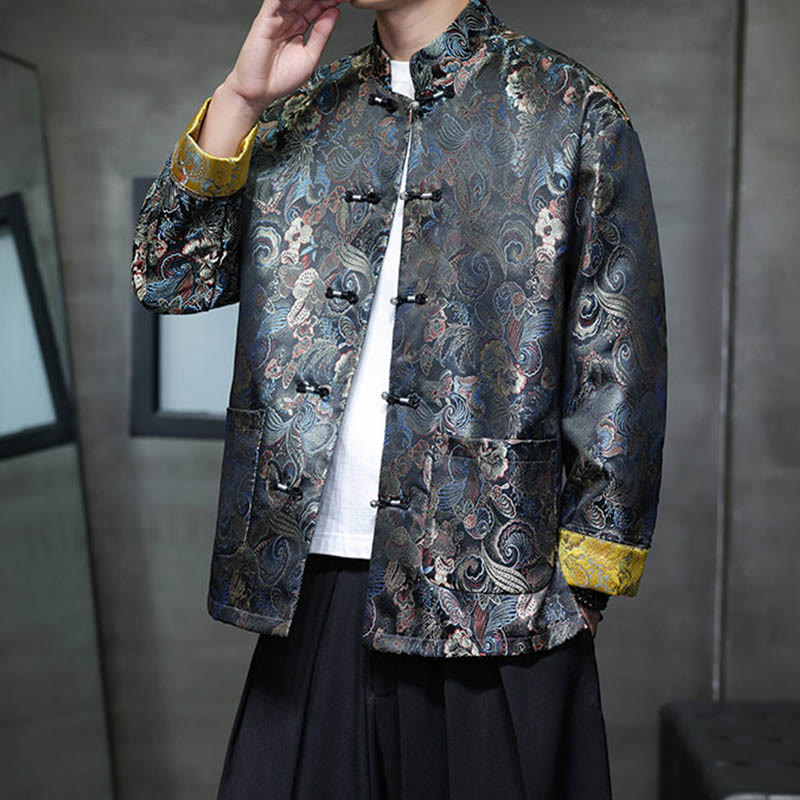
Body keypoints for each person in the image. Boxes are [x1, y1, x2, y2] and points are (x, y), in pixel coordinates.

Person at [130, 0, 668, 797]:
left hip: (496, 599)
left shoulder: (570, 110)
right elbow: (170, 274)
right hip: (313, 584)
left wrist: (579, 593)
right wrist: (241, 98)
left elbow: (619, 365)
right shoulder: (305, 111)